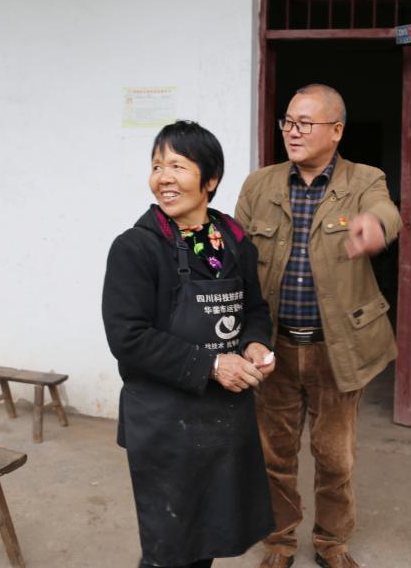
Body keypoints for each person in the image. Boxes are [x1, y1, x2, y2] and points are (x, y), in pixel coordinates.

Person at [235, 84, 401, 568]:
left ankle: (332, 542)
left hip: (337, 349)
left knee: (335, 458)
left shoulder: (364, 179)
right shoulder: (259, 185)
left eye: (305, 123)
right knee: (274, 455)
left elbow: (386, 210)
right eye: (288, 121)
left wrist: (376, 226)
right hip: (273, 348)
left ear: (336, 130)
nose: (293, 131)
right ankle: (280, 541)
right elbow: (238, 258)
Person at [103, 120, 277, 568]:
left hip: (223, 418)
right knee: (169, 547)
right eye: (157, 166)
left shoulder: (234, 242)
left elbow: (255, 310)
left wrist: (255, 344)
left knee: (206, 539)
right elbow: (127, 337)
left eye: (177, 166)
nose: (164, 177)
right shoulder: (136, 248)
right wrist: (213, 364)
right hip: (164, 421)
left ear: (211, 180)